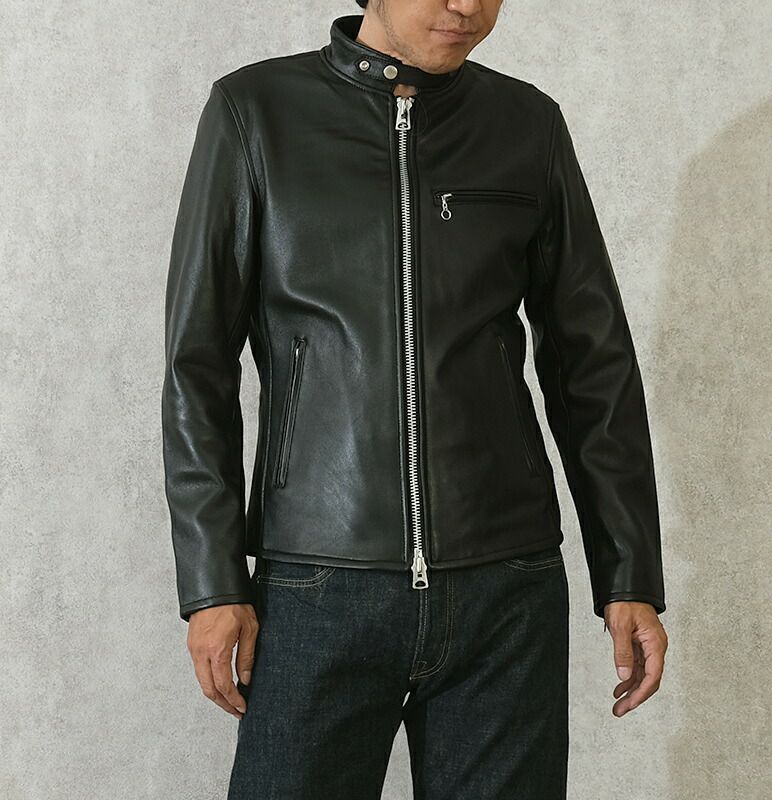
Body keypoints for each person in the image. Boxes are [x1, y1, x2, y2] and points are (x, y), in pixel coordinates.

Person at [161, 1, 669, 797]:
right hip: (317, 584)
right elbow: (198, 365)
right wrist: (213, 582)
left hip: (507, 588)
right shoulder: (255, 113)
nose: (466, 6)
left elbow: (592, 363)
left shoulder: (527, 125)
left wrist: (628, 569)